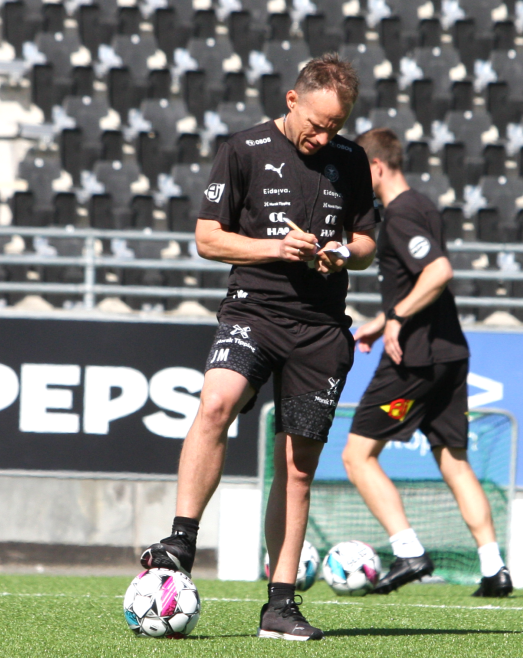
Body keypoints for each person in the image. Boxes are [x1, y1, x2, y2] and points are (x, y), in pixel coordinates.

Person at [138, 54, 379, 641]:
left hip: (320, 328)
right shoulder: (242, 148)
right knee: (216, 402)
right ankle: (182, 540)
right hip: (253, 311)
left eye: (337, 126)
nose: (324, 137)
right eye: (317, 124)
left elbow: (368, 242)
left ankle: (280, 605)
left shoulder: (351, 161)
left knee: (297, 469)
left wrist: (342, 253)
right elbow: (207, 238)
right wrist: (275, 248)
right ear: (293, 100)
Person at [341, 128, 512, 597]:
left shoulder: (399, 215)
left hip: (414, 361)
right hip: (450, 354)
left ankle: (408, 550)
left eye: (358, 171)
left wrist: (396, 317)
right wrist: (382, 320)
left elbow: (438, 271)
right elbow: (422, 282)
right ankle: (494, 568)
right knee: (454, 461)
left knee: (357, 456)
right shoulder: (424, 205)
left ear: (376, 167)